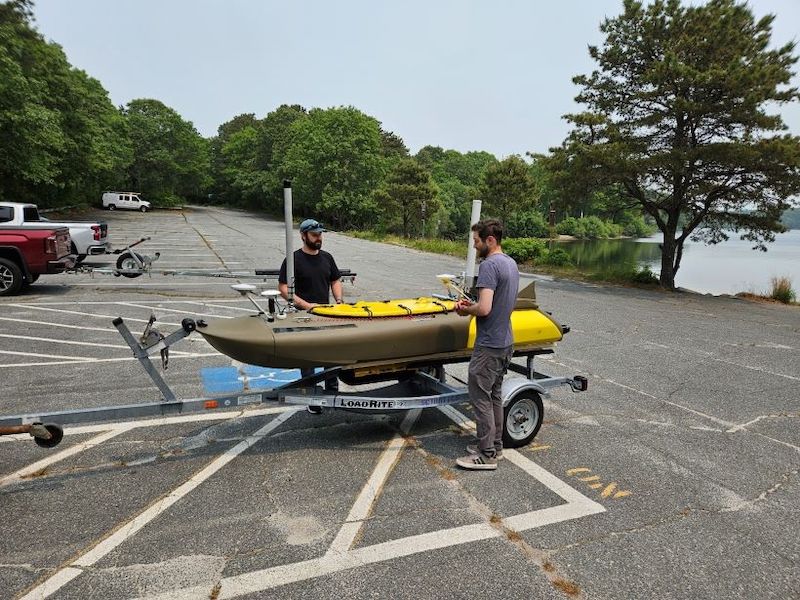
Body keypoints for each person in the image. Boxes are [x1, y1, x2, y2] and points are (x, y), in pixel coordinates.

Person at [453, 219, 519, 470]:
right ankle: (495, 446)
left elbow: (484, 308)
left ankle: (486, 453)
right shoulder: (511, 263)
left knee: (480, 397)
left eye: (476, 241)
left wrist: (465, 309)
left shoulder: (490, 265)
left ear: (490, 240)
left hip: (490, 344)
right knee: (494, 396)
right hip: (505, 341)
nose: (474, 246)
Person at [278, 218, 343, 413]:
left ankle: (333, 393)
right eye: (314, 235)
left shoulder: (327, 257)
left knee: (331, 355)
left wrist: (339, 301)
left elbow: (335, 280)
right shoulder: (293, 260)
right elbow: (283, 288)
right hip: (303, 315)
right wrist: (306, 305)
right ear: (303, 235)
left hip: (325, 314)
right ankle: (312, 398)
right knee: (308, 359)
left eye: (320, 234)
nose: (318, 238)